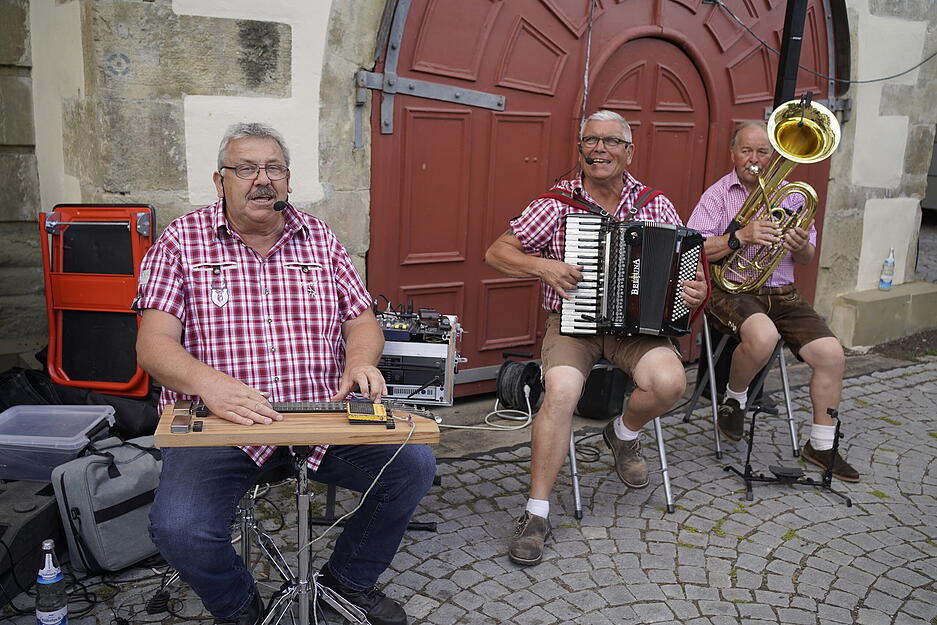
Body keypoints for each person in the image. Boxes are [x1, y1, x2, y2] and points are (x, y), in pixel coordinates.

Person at [134, 122, 436, 625]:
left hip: (319, 417)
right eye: (245, 168)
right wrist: (209, 383)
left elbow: (361, 318)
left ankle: (347, 584)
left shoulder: (318, 237)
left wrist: (360, 361)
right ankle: (237, 606)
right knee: (179, 528)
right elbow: (153, 345)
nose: (262, 179)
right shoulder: (181, 241)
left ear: (288, 181)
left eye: (273, 168)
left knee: (413, 466)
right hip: (221, 426)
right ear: (220, 181)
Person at [484, 110, 707, 566]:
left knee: (670, 383)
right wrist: (543, 266)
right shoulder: (556, 203)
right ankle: (537, 512)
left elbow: (690, 269)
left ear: (629, 152)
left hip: (636, 331)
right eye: (590, 140)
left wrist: (694, 288)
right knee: (561, 393)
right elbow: (497, 252)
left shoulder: (654, 204)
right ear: (580, 149)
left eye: (610, 141)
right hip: (574, 325)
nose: (599, 148)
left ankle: (622, 432)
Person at [687, 120, 859, 483]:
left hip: (783, 293)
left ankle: (821, 444)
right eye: (746, 150)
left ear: (774, 156)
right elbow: (694, 249)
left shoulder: (793, 196)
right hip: (733, 289)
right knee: (763, 337)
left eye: (763, 152)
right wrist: (741, 236)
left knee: (832, 355)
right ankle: (734, 400)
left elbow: (808, 256)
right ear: (733, 154)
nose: (754, 159)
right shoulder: (717, 195)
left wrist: (801, 246)